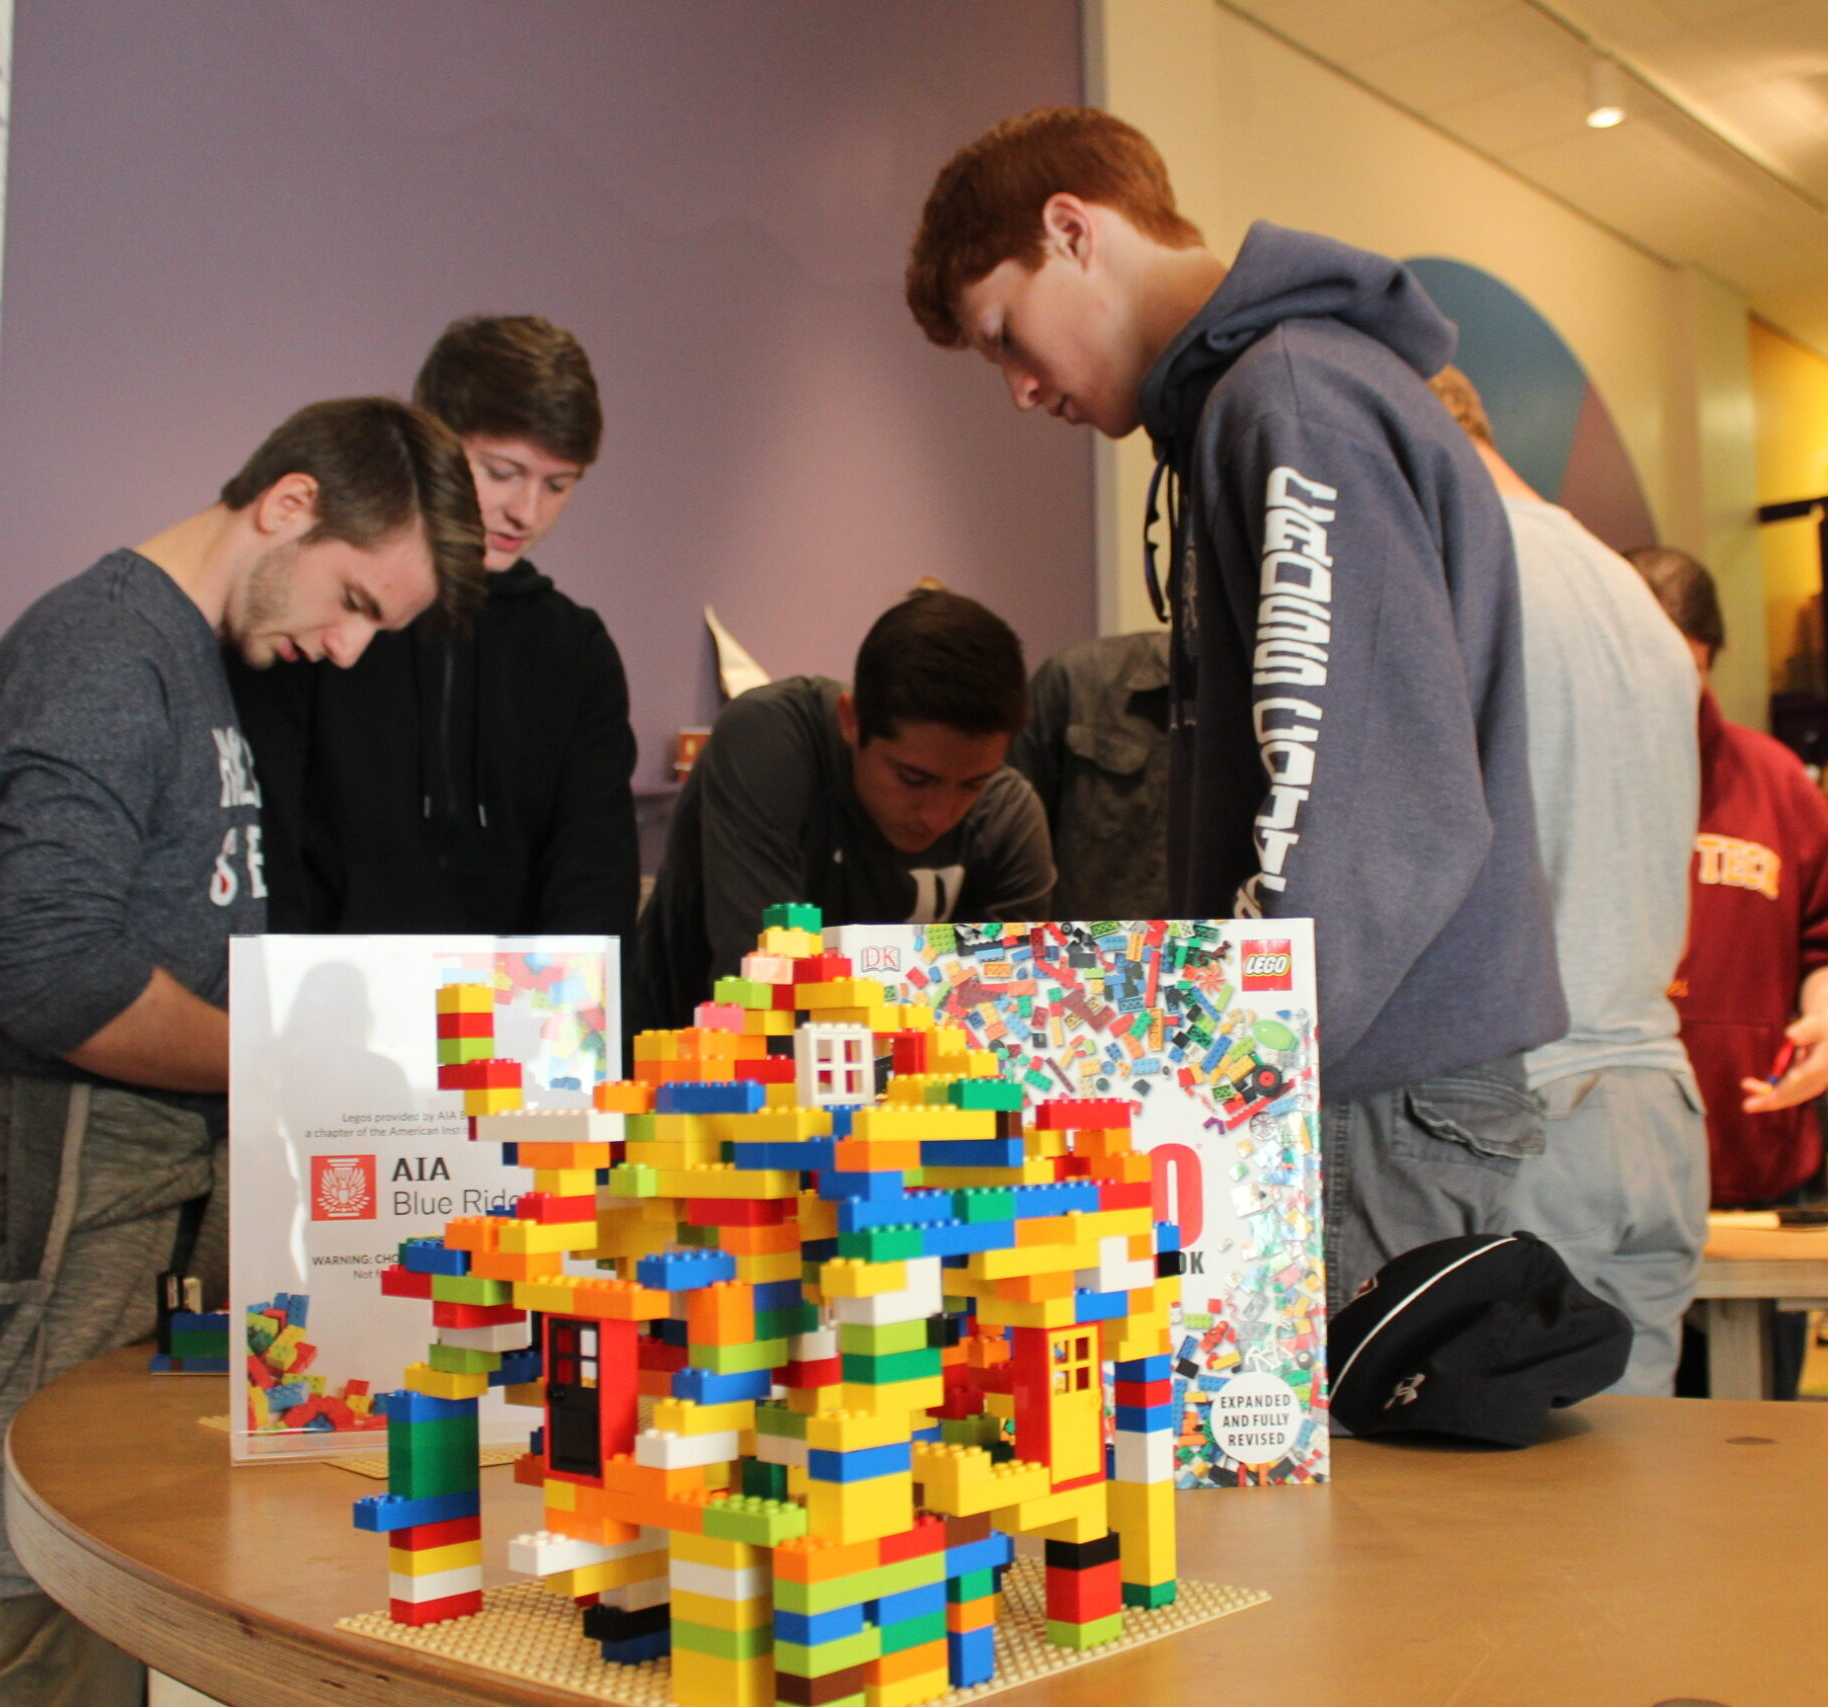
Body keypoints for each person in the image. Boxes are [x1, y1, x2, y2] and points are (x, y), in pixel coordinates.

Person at [0, 398, 483, 1706]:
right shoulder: (103, 652)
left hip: (159, 1191)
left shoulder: (193, 659)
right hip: (74, 1184)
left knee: (139, 1576)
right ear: (291, 504)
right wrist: (290, 1062)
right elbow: (56, 975)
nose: (349, 648)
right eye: (358, 600)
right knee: (59, 1596)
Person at [907, 107, 1566, 1305]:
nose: (1015, 388)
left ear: (1072, 231)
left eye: (1003, 332)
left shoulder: (1292, 407)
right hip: (1368, 1070)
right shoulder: (1271, 400)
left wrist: (1228, 1078)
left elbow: (1353, 801)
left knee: (1346, 1495)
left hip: (1366, 1085)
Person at [1427, 369, 1703, 1396]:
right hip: (1656, 1103)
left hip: (1533, 1104)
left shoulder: (1465, 568)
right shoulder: (1630, 592)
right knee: (1639, 1499)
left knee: (1505, 1523)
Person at [230, 316, 639, 940]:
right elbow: (271, 841)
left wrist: (572, 1024)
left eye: (557, 485)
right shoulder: (319, 612)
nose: (525, 511)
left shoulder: (575, 649)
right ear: (431, 440)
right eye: (501, 472)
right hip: (327, 1004)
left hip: (521, 1019)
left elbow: (595, 873)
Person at [1629, 547, 1828, 1401]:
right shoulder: (1567, 771)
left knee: (1757, 1425)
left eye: (1685, 666)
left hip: (1759, 1164)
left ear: (1711, 658)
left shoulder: (1773, 778)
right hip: (1611, 1175)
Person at [631, 589, 1053, 1031]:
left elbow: (1006, 1028)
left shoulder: (1010, 815)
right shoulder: (769, 743)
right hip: (689, 1078)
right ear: (851, 720)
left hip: (914, 1090)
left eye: (973, 784)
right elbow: (759, 992)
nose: (938, 815)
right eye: (914, 779)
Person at [1007, 629, 1170, 919]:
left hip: (1222, 953)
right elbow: (1006, 850)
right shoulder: (1076, 678)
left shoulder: (1267, 712)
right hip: (1071, 954)